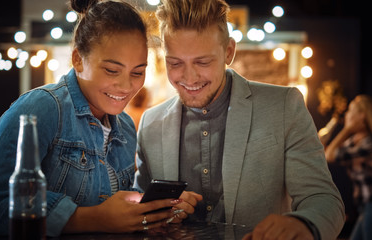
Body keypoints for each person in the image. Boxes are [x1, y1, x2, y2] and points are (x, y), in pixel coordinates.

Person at [0, 0, 183, 237]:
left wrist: (156, 209)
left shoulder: (125, 126)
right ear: (78, 59)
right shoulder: (39, 110)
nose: (126, 86)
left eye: (137, 72)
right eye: (112, 70)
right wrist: (93, 219)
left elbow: (118, 205)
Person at [133, 0, 345, 239]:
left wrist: (305, 225)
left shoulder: (284, 106)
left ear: (229, 52)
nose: (189, 77)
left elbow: (323, 198)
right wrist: (158, 213)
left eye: (203, 62)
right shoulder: (150, 124)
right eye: (175, 63)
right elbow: (139, 209)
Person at [325, 95, 372, 240]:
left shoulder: (371, 144)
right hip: (367, 206)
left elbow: (330, 156)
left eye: (350, 110)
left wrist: (347, 129)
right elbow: (327, 153)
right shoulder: (354, 142)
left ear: (362, 116)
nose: (346, 114)